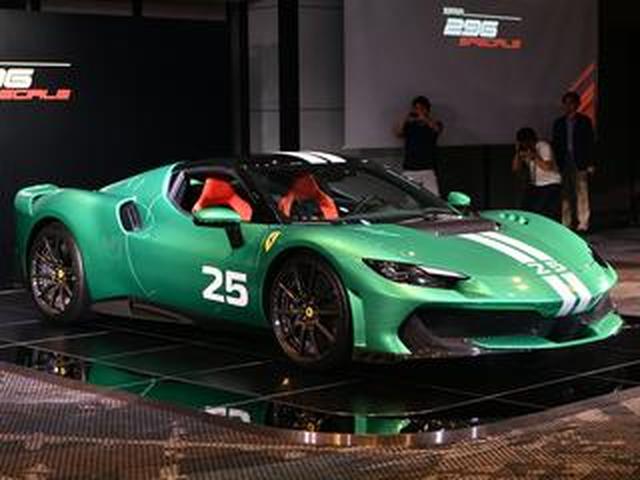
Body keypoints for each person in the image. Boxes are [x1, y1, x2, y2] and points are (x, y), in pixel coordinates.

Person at [552, 91, 595, 233]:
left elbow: (590, 143)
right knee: (565, 193)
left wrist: (590, 163)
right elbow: (556, 144)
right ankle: (566, 223)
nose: (568, 106)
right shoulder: (559, 123)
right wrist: (555, 163)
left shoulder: (584, 121)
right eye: (566, 103)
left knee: (582, 192)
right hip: (564, 160)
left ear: (577, 104)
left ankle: (583, 223)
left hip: (580, 160)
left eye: (571, 103)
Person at [395, 96, 443, 196]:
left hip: (427, 168)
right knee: (410, 198)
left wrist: (424, 118)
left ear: (427, 110)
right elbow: (398, 133)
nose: (418, 111)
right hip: (410, 168)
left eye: (421, 108)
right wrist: (406, 119)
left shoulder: (434, 123)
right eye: (416, 108)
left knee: (433, 196)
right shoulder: (410, 125)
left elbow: (437, 129)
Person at [512, 127, 562, 221]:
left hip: (550, 183)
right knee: (526, 208)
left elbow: (547, 167)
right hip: (536, 184)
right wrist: (517, 153)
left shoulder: (543, 146)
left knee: (541, 211)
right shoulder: (525, 149)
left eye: (525, 142)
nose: (524, 145)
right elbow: (515, 168)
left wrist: (534, 156)